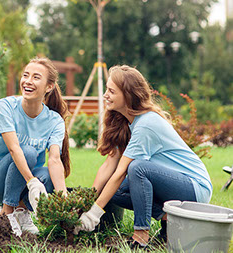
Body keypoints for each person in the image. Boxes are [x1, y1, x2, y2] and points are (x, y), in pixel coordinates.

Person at [74, 65, 212, 248]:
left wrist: (93, 215)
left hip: (195, 188)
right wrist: (85, 203)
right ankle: (170, 220)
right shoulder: (126, 122)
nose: (105, 95)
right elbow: (109, 165)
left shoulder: (146, 124)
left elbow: (121, 172)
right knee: (114, 190)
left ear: (128, 95)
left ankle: (140, 235)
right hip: (173, 187)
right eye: (106, 89)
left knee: (137, 168)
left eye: (111, 91)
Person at [0, 57, 70, 235]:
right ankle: (6, 213)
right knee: (28, 151)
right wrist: (32, 182)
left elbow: (55, 159)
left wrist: (64, 201)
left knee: (49, 176)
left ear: (49, 87)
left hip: (22, 180)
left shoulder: (54, 120)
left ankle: (21, 211)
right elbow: (14, 149)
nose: (28, 81)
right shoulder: (5, 106)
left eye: (36, 77)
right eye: (25, 75)